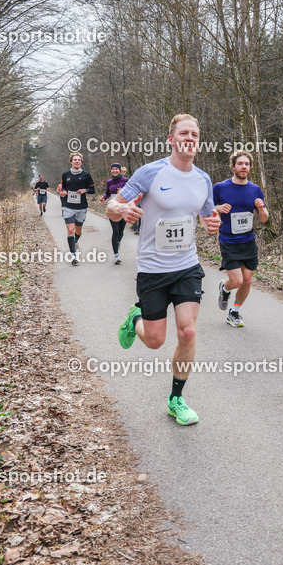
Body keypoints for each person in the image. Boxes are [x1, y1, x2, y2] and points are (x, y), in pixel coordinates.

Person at [107, 114, 221, 426]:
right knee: (155, 340)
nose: (190, 138)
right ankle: (136, 317)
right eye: (183, 133)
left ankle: (176, 398)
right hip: (152, 271)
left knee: (188, 331)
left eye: (195, 134)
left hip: (187, 267)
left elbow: (208, 218)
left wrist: (213, 224)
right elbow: (111, 208)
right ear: (171, 139)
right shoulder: (150, 173)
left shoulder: (203, 179)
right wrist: (124, 209)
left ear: (198, 142)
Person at [213, 149, 268, 327]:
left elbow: (265, 218)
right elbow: (207, 209)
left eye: (247, 164)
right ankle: (225, 287)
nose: (244, 167)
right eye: (240, 164)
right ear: (233, 166)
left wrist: (261, 208)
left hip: (248, 240)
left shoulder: (255, 190)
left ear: (250, 167)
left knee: (248, 280)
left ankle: (234, 312)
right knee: (236, 281)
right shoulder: (220, 187)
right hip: (228, 240)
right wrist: (219, 208)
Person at [56, 152, 95, 266]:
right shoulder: (66, 174)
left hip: (81, 207)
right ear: (71, 162)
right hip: (68, 206)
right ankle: (73, 255)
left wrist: (85, 190)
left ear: (81, 162)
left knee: (78, 231)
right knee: (70, 230)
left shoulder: (86, 175)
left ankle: (76, 241)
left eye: (79, 160)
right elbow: (64, 187)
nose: (77, 161)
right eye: (75, 160)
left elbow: (93, 190)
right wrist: (63, 192)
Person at [100, 163, 130, 265]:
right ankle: (116, 255)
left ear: (120, 170)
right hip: (113, 209)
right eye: (112, 169)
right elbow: (108, 193)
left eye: (116, 169)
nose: (114, 171)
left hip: (123, 208)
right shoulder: (109, 182)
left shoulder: (126, 181)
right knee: (115, 231)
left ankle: (118, 243)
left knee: (121, 232)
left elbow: (131, 192)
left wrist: (123, 191)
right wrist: (104, 197)